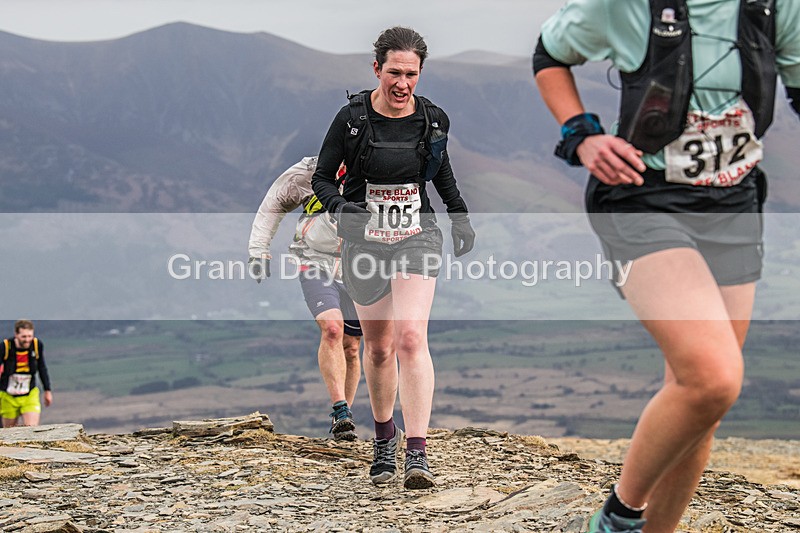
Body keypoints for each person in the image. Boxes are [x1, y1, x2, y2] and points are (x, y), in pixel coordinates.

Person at [534, 1, 800, 531]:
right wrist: (581, 135)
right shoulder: (628, 6)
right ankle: (615, 520)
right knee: (714, 378)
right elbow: (550, 53)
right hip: (642, 200)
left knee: (700, 407)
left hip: (733, 207)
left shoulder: (776, 6)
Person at [312, 26, 475, 490]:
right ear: (376, 69)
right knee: (379, 347)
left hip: (416, 234)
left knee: (410, 338)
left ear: (420, 74)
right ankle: (385, 439)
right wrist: (343, 209)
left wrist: (459, 216)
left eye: (412, 74)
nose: (403, 83)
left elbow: (440, 170)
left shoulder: (433, 119)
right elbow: (323, 179)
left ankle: (417, 452)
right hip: (364, 242)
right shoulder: (351, 120)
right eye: (394, 72)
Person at [249, 156, 363, 441]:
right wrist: (258, 250)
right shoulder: (312, 169)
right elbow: (274, 202)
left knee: (351, 346)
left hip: (362, 265)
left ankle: (345, 418)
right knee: (332, 329)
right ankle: (340, 411)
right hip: (314, 259)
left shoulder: (377, 163)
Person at [1, 320, 53, 427]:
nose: (27, 340)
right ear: (16, 334)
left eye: (30, 336)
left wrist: (47, 390)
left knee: (31, 429)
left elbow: (42, 367)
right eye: (24, 336)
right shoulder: (5, 347)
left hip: (29, 393)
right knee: (8, 432)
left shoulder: (36, 345)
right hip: (8, 395)